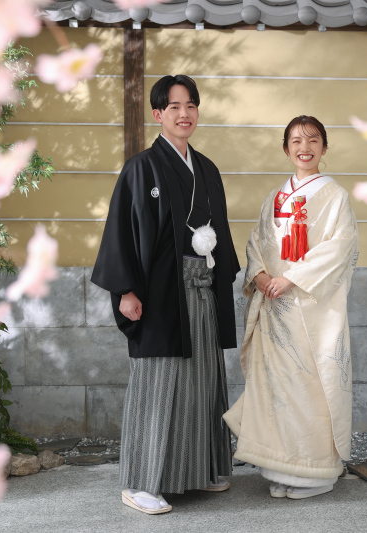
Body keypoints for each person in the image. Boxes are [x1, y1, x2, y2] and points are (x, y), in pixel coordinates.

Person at [91, 75, 240, 514]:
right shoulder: (142, 167)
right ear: (158, 114)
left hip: (201, 289)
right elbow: (121, 230)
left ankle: (199, 471)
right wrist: (125, 290)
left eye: (191, 105)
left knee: (201, 381)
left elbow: (222, 235)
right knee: (158, 383)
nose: (184, 114)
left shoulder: (207, 169)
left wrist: (221, 279)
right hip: (159, 293)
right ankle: (141, 481)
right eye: (173, 107)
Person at [223, 115, 359, 500]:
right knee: (277, 388)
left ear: (324, 148)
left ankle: (314, 473)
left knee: (310, 386)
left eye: (313, 140)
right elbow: (257, 242)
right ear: (286, 149)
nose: (305, 147)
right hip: (275, 308)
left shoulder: (335, 196)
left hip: (312, 309)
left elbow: (340, 246)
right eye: (296, 140)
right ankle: (281, 469)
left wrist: (292, 278)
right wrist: (262, 275)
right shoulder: (275, 197)